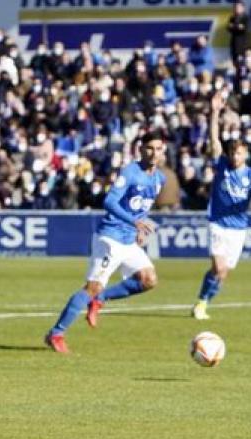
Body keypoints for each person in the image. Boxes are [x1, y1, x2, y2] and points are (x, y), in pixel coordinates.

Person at [44, 133, 166, 354]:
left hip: (129, 239)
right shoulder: (130, 172)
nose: (154, 153)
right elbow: (109, 201)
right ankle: (56, 333)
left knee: (149, 279)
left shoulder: (160, 179)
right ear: (140, 150)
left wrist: (139, 228)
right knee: (92, 287)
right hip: (110, 238)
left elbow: (141, 207)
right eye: (149, 148)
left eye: (158, 148)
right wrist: (135, 222)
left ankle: (100, 300)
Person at [192, 92, 251, 320]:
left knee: (222, 274)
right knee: (219, 268)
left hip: (238, 228)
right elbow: (214, 140)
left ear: (246, 154)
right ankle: (201, 304)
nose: (234, 155)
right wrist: (214, 113)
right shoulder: (221, 164)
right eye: (232, 151)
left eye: (239, 152)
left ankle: (203, 301)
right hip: (218, 223)